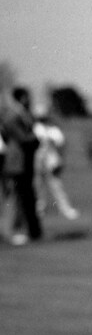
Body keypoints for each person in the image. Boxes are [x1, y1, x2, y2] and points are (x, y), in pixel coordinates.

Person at [0, 88, 43, 245]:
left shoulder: (24, 113)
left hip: (25, 160)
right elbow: (10, 127)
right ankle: (10, 232)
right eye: (27, 97)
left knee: (25, 196)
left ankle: (29, 231)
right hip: (16, 161)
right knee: (14, 196)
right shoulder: (13, 113)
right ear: (22, 97)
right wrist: (27, 138)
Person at [34, 109, 80, 221]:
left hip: (51, 162)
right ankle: (39, 211)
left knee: (56, 186)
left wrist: (60, 161)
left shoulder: (54, 130)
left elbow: (60, 147)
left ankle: (66, 210)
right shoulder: (35, 128)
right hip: (37, 161)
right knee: (38, 188)